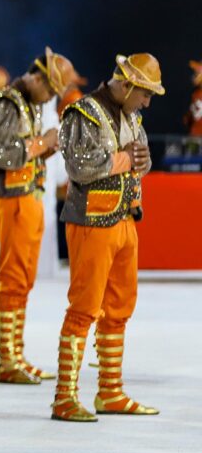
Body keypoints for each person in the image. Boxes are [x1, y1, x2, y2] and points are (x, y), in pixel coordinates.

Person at [52, 54, 163, 421]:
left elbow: (133, 159)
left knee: (118, 310)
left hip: (125, 220)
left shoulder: (131, 115)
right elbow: (80, 168)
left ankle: (110, 391)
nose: (147, 102)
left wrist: (140, 163)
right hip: (91, 222)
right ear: (128, 85)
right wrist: (128, 160)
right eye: (145, 94)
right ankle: (65, 397)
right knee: (84, 308)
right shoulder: (82, 112)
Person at [0, 48, 78, 383]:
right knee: (13, 277)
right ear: (36, 77)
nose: (51, 96)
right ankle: (7, 360)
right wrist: (41, 144)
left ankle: (15, 354)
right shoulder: (6, 103)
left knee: (24, 279)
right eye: (49, 89)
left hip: (29, 196)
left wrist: (48, 147)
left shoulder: (28, 104)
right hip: (13, 200)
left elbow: (24, 152)